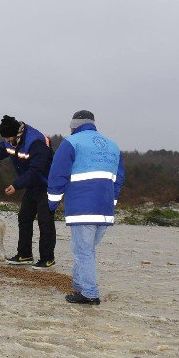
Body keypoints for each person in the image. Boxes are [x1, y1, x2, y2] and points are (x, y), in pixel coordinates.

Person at [47, 110, 125, 305]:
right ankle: (79, 288)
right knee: (85, 250)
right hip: (105, 210)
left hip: (82, 208)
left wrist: (52, 202)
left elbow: (57, 174)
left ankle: (90, 294)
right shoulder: (113, 146)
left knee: (83, 251)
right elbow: (118, 179)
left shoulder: (71, 143)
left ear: (74, 125)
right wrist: (111, 203)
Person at [0, 115, 56, 269]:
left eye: (9, 138)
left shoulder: (35, 142)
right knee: (24, 217)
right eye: (5, 139)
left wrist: (16, 185)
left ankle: (47, 258)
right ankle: (25, 255)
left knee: (45, 221)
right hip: (31, 184)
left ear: (17, 134)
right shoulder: (11, 140)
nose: (7, 141)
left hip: (46, 184)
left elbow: (36, 170)